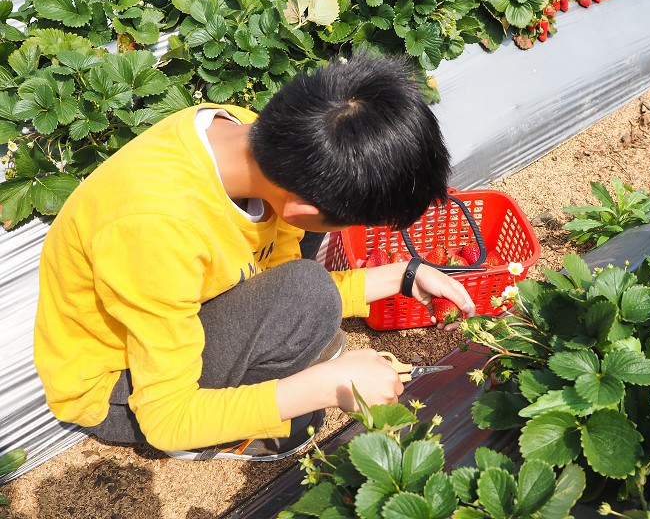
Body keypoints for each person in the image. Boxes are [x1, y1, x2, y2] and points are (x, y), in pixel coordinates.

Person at [33, 55, 476, 462]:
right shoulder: (155, 225)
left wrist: (401, 275)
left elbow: (270, 270)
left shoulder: (251, 135)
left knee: (306, 291)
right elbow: (165, 419)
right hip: (116, 388)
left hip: (177, 308)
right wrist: (326, 386)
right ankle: (221, 433)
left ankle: (271, 370)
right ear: (301, 212)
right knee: (309, 296)